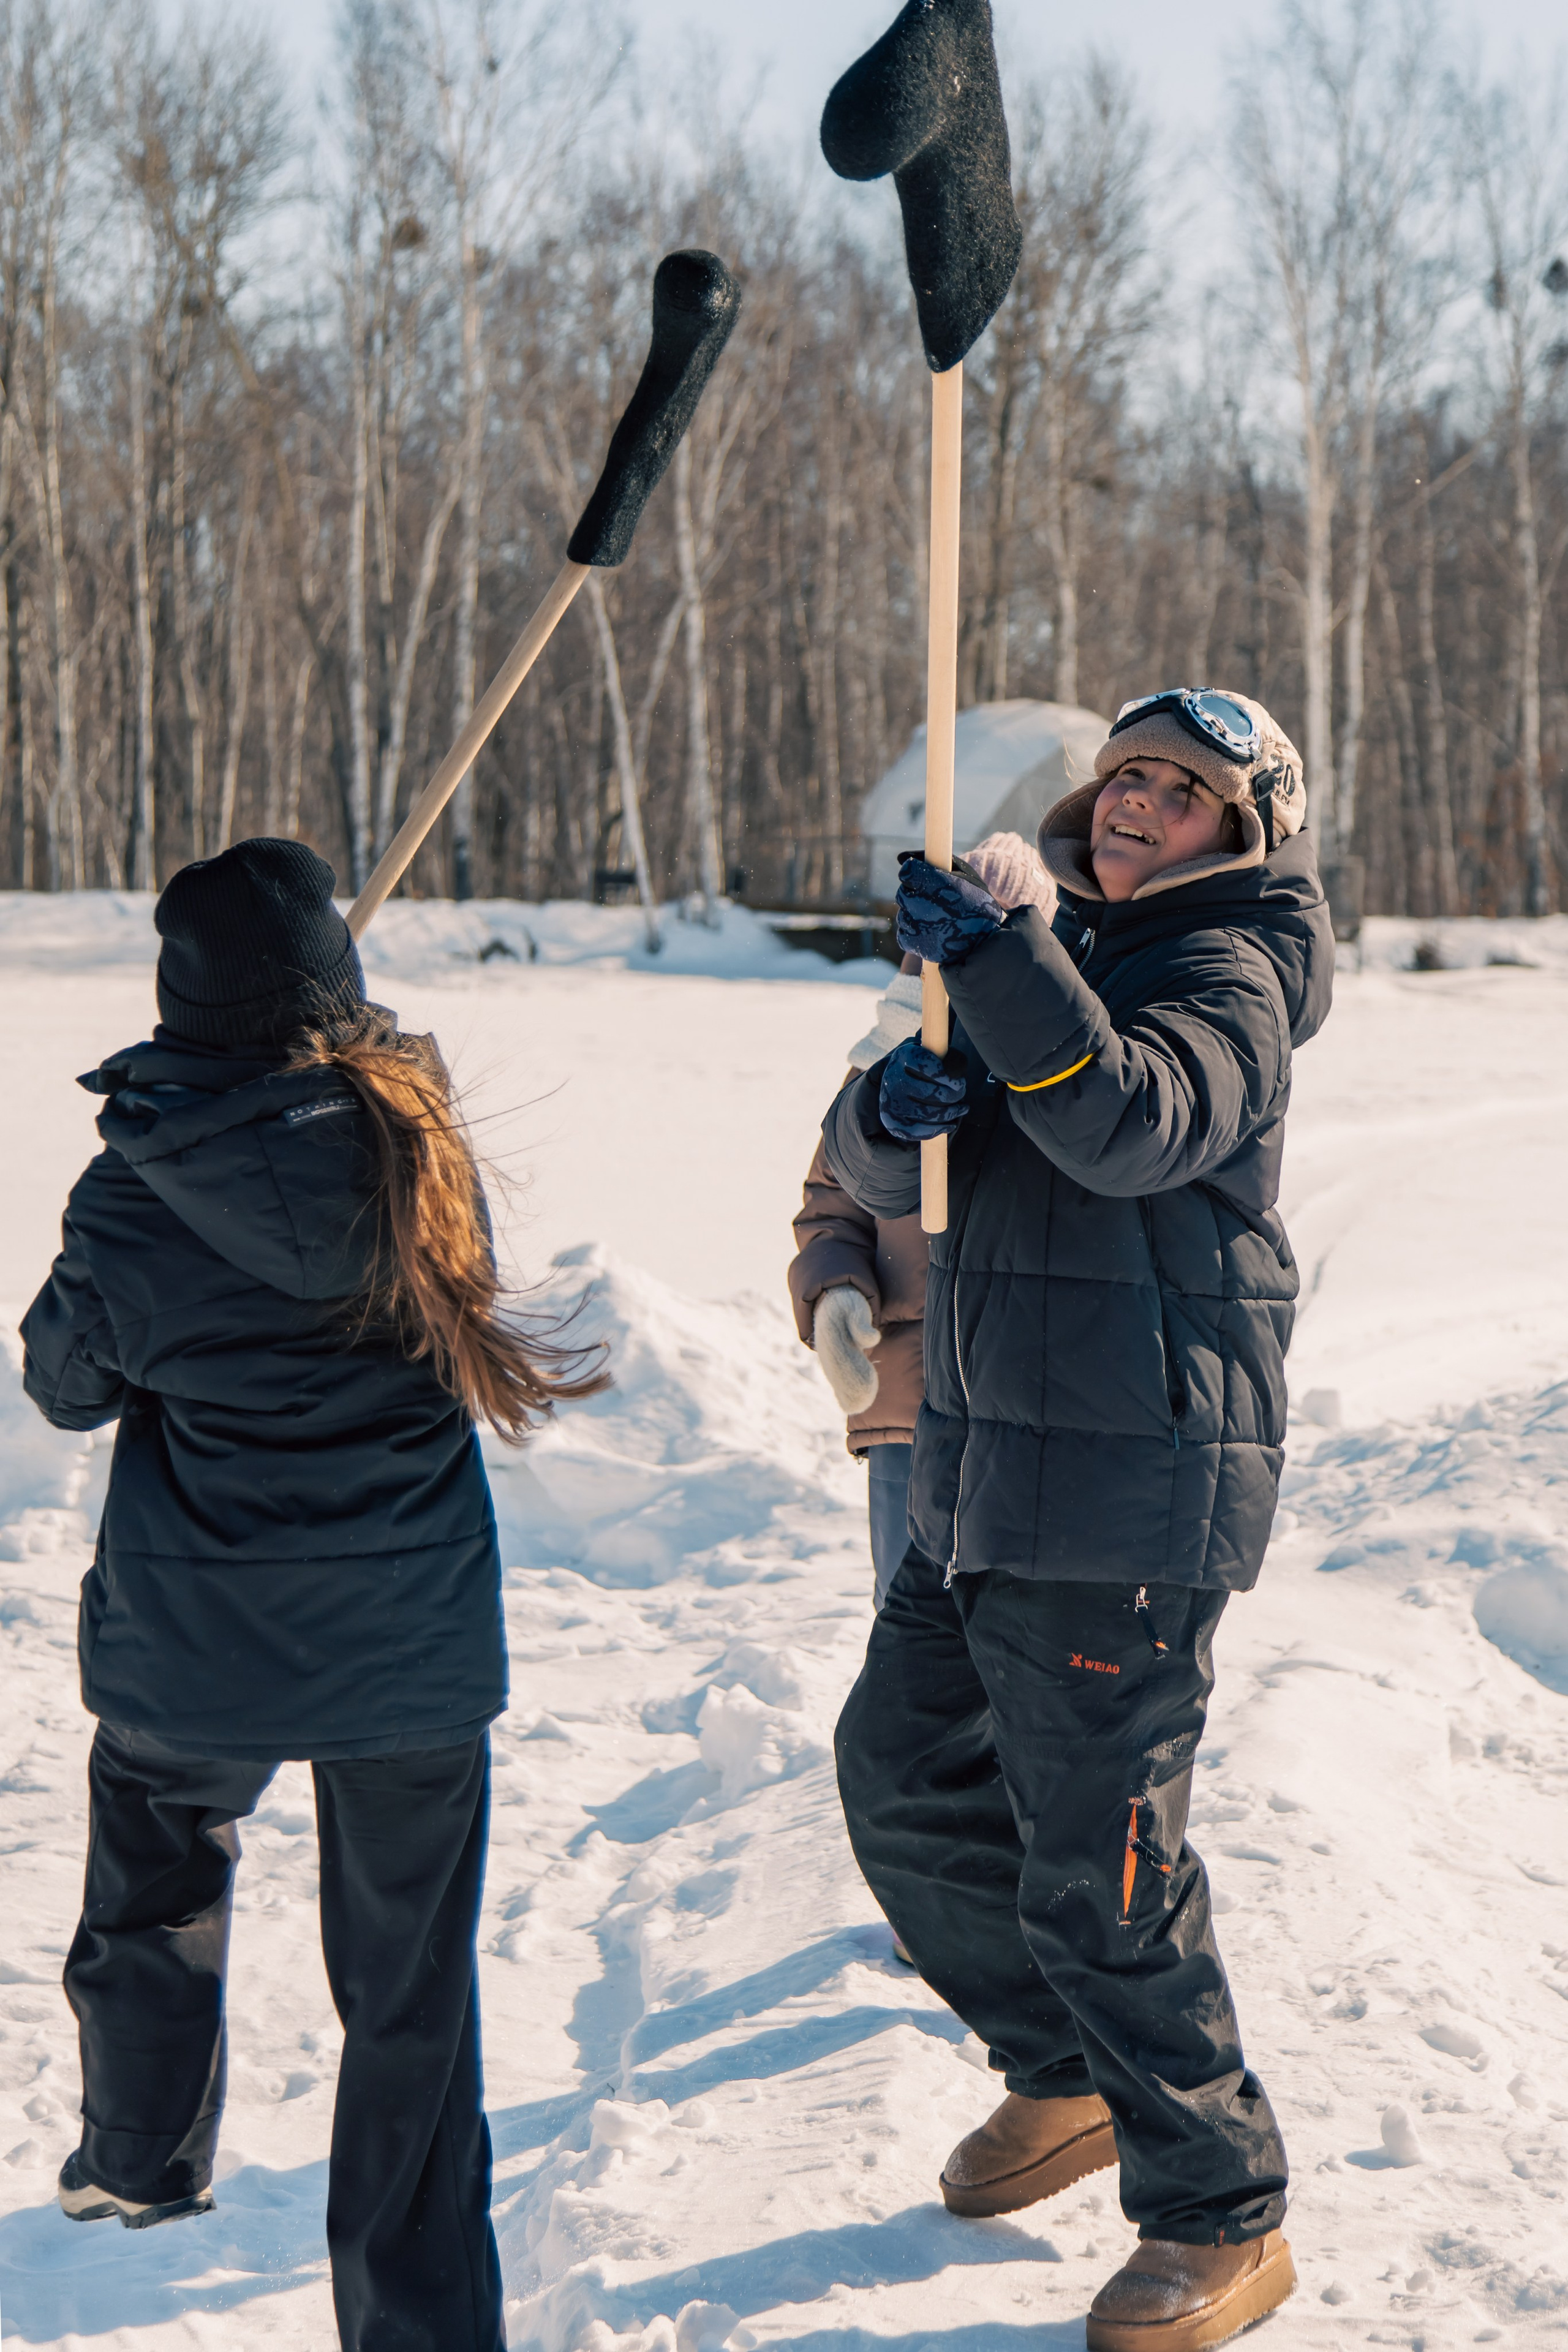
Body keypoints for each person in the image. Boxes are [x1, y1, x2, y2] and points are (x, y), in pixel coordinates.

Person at [21, 839, 605, 2352]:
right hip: (408, 1647)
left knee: (155, 1857)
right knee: (412, 2001)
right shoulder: (423, 1149)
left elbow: (65, 1383)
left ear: (174, 1004)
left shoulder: (132, 1187)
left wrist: (142, 1166)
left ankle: (142, 2153)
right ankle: (419, 2328)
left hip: (194, 1634)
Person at [821, 691, 1332, 2352]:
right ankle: (1066, 2073)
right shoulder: (1061, 947)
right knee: (903, 1782)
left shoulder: (1229, 970)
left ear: (1239, 837)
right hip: (982, 1464)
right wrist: (889, 1119)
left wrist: (1003, 966)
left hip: (1126, 1485)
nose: (1136, 806)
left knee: (1105, 1871)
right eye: (1127, 776)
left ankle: (1219, 2212)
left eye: (1182, 795)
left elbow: (1127, 1125)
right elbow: (897, 1182)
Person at [788, 833, 1055, 1612]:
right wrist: (837, 1294)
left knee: (1011, 1630)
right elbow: (830, 1201)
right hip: (905, 1407)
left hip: (1024, 1408)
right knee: (909, 1622)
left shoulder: (1049, 1062)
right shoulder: (885, 1062)